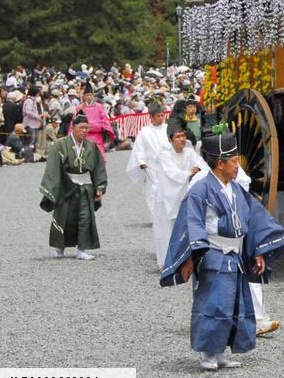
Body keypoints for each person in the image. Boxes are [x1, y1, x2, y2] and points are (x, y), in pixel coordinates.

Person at [159, 129, 284, 371]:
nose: (238, 166)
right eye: (233, 161)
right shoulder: (201, 189)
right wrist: (190, 258)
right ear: (220, 163)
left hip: (235, 255)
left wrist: (259, 251)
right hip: (213, 253)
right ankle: (208, 353)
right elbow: (192, 223)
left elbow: (254, 218)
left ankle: (221, 352)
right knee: (213, 304)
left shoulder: (237, 189)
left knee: (232, 304)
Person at [39, 112, 107, 260]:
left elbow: (99, 168)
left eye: (87, 128)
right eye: (81, 127)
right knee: (64, 217)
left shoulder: (91, 146)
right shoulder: (60, 144)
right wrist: (53, 189)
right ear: (73, 128)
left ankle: (82, 249)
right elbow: (52, 167)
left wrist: (100, 187)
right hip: (65, 186)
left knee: (85, 217)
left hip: (85, 187)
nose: (84, 130)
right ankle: (59, 248)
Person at [151, 116, 207, 269]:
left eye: (183, 135)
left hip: (184, 196)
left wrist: (198, 170)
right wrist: (189, 173)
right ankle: (165, 262)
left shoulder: (189, 152)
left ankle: (184, 260)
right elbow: (171, 174)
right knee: (165, 230)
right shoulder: (164, 154)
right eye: (178, 136)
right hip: (166, 197)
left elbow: (203, 166)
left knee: (185, 228)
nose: (182, 139)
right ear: (170, 139)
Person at [125, 101, 170, 254]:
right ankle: (156, 218)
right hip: (152, 167)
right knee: (153, 193)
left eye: (162, 116)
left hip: (167, 166)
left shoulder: (168, 129)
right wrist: (141, 162)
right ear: (151, 117)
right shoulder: (144, 132)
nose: (161, 118)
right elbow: (139, 150)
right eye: (158, 116)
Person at [72, 83, 114, 160]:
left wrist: (95, 126)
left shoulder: (100, 107)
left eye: (90, 95)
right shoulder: (79, 108)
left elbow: (105, 121)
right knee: (84, 159)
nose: (89, 97)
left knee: (99, 159)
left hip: (97, 137)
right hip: (84, 137)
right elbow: (74, 122)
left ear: (93, 96)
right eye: (87, 95)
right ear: (84, 96)